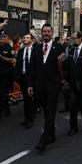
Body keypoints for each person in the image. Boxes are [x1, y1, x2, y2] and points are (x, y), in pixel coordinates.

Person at [31, 23, 65, 152]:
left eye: (48, 31)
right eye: (44, 31)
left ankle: (43, 140)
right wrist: (30, 85)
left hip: (53, 86)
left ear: (52, 33)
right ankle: (52, 134)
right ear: (41, 33)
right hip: (40, 87)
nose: (46, 33)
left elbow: (64, 66)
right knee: (46, 112)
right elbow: (32, 68)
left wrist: (63, 60)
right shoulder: (36, 48)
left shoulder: (59, 47)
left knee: (50, 113)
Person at [64, 31, 82, 136]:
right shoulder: (70, 50)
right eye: (71, 38)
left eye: (74, 38)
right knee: (72, 106)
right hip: (72, 83)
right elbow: (67, 66)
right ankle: (73, 127)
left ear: (81, 38)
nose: (72, 40)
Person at [15, 33, 39, 129]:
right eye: (24, 37)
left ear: (32, 40)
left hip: (33, 78)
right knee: (26, 99)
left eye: (27, 38)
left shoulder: (36, 50)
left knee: (30, 98)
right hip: (23, 78)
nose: (25, 39)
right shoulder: (20, 51)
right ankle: (27, 118)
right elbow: (18, 65)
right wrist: (16, 78)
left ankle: (30, 119)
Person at [0, 31, 15, 123]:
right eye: (1, 36)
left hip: (6, 75)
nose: (2, 37)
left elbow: (13, 60)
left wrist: (1, 57)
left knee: (3, 94)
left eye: (4, 36)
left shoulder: (9, 48)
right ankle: (7, 110)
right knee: (2, 94)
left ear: (8, 39)